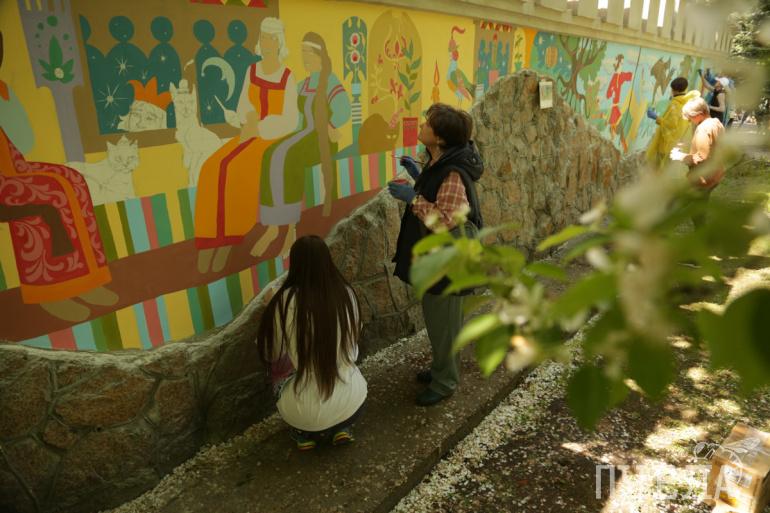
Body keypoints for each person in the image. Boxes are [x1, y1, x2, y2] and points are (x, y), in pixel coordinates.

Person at [389, 103, 484, 407]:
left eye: (428, 124)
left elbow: (444, 221)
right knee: (438, 319)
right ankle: (440, 369)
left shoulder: (452, 172)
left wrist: (412, 198)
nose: (422, 126)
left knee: (445, 325)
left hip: (449, 259)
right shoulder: (441, 161)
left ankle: (445, 383)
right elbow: (440, 195)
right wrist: (418, 174)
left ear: (440, 138)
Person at [194, 17, 299, 274]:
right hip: (248, 132)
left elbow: (290, 119)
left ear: (279, 42)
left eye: (271, 38)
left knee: (235, 169)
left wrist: (261, 127)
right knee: (212, 167)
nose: (267, 43)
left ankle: (229, 240)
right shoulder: (252, 71)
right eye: (263, 37)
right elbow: (243, 103)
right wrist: (249, 117)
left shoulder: (287, 77)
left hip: (271, 137)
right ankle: (209, 240)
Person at [256, 235, 366, 450]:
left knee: (278, 374)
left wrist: (271, 308)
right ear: (327, 260)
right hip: (352, 402)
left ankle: (303, 434)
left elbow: (272, 354)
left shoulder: (284, 301)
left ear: (295, 265)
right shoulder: (346, 293)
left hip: (302, 414)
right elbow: (353, 341)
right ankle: (341, 428)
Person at [251, 32, 351, 259]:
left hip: (321, 141)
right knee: (270, 153)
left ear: (319, 55)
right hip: (303, 134)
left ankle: (290, 229)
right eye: (302, 52)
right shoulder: (303, 84)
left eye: (308, 52)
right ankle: (273, 225)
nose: (304, 57)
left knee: (289, 157)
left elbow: (343, 109)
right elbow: (295, 117)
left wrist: (331, 125)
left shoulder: (330, 81)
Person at [669, 97, 725, 227]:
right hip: (714, 175)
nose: (689, 121)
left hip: (702, 178)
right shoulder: (716, 123)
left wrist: (680, 156)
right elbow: (712, 147)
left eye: (690, 118)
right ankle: (702, 234)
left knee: (672, 206)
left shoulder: (703, 129)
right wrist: (689, 145)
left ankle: (657, 233)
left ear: (699, 114)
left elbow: (701, 157)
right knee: (698, 210)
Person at [645, 77, 700, 171]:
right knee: (667, 169)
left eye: (672, 90)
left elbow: (671, 125)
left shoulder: (675, 104)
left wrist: (656, 117)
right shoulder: (687, 102)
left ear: (674, 90)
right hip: (677, 142)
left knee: (659, 169)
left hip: (667, 143)